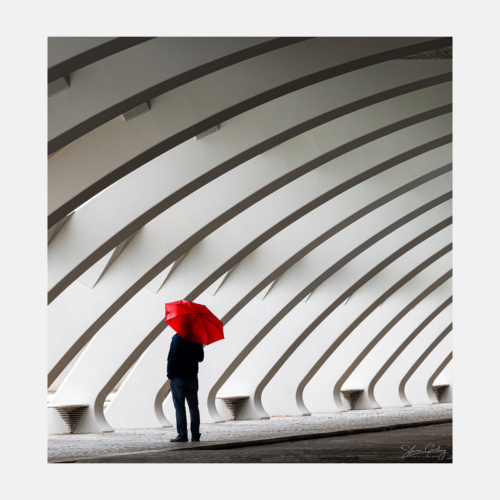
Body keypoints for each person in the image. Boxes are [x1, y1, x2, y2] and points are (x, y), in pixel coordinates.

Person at [167, 333, 204, 442]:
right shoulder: (197, 338)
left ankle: (182, 434)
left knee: (180, 407)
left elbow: (172, 357)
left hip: (178, 378)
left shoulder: (177, 338)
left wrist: (170, 375)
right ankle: (195, 435)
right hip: (192, 378)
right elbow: (200, 358)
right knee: (194, 407)